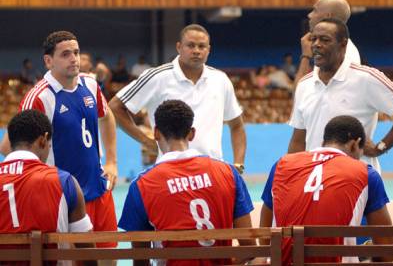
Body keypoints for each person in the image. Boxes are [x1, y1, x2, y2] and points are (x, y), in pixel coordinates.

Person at [0, 31, 119, 251]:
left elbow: (107, 116)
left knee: (108, 256)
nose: (74, 58)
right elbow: (8, 145)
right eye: (65, 54)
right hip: (66, 198)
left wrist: (111, 161)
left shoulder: (90, 85)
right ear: (48, 61)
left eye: (76, 52)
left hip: (99, 188)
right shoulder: (39, 97)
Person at [118, 100, 255, 266]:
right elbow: (249, 249)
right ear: (191, 133)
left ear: (156, 133)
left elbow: (141, 260)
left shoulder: (142, 185)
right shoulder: (228, 173)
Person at [288, 18, 393, 173]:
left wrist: (381, 147)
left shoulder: (365, 77)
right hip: (317, 182)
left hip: (358, 180)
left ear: (343, 44)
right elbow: (298, 140)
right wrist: (291, 176)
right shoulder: (304, 85)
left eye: (325, 40)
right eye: (314, 39)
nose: (316, 44)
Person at [109, 24, 246, 174]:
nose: (196, 51)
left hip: (213, 173)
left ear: (209, 50)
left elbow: (237, 126)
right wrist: (147, 142)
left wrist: (238, 164)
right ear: (179, 47)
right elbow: (115, 107)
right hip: (171, 173)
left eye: (202, 46)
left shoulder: (220, 80)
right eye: (191, 45)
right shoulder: (157, 77)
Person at [261, 115, 393, 264]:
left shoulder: (281, 165)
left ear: (323, 141)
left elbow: (265, 237)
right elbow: (387, 253)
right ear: (354, 145)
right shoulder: (366, 174)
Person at [0, 110, 95, 265]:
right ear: (43, 140)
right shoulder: (64, 181)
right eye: (49, 145)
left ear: (11, 142)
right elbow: (86, 248)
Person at [294, 0, 361, 83]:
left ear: (328, 17)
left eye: (315, 10)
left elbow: (298, 95)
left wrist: (305, 56)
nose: (309, 15)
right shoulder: (332, 50)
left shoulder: (342, 54)